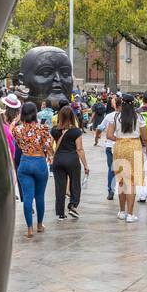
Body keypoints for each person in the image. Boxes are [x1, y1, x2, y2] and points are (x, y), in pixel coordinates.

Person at [107, 94, 147, 223]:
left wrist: (120, 139)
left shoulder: (115, 116)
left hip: (120, 147)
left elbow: (109, 135)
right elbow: (145, 137)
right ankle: (130, 214)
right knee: (131, 182)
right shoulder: (139, 117)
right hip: (134, 147)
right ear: (134, 103)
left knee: (121, 181)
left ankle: (121, 212)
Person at [13, 99, 54, 239]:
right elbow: (49, 145)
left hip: (25, 162)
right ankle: (39, 225)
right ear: (35, 113)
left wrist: (17, 120)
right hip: (39, 162)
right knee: (40, 196)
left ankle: (29, 229)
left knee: (28, 197)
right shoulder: (42, 128)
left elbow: (16, 140)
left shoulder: (18, 129)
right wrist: (49, 155)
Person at [51, 104, 89, 219]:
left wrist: (53, 155)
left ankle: (61, 214)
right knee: (75, 184)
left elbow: (48, 145)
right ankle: (72, 205)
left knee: (60, 187)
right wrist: (85, 165)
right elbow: (79, 149)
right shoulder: (76, 131)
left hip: (58, 160)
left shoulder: (54, 130)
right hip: (72, 160)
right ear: (72, 116)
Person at [99, 94, 121, 200]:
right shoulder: (126, 116)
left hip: (109, 146)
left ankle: (111, 191)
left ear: (114, 106)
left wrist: (98, 134)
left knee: (111, 169)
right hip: (122, 145)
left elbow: (101, 127)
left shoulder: (109, 116)